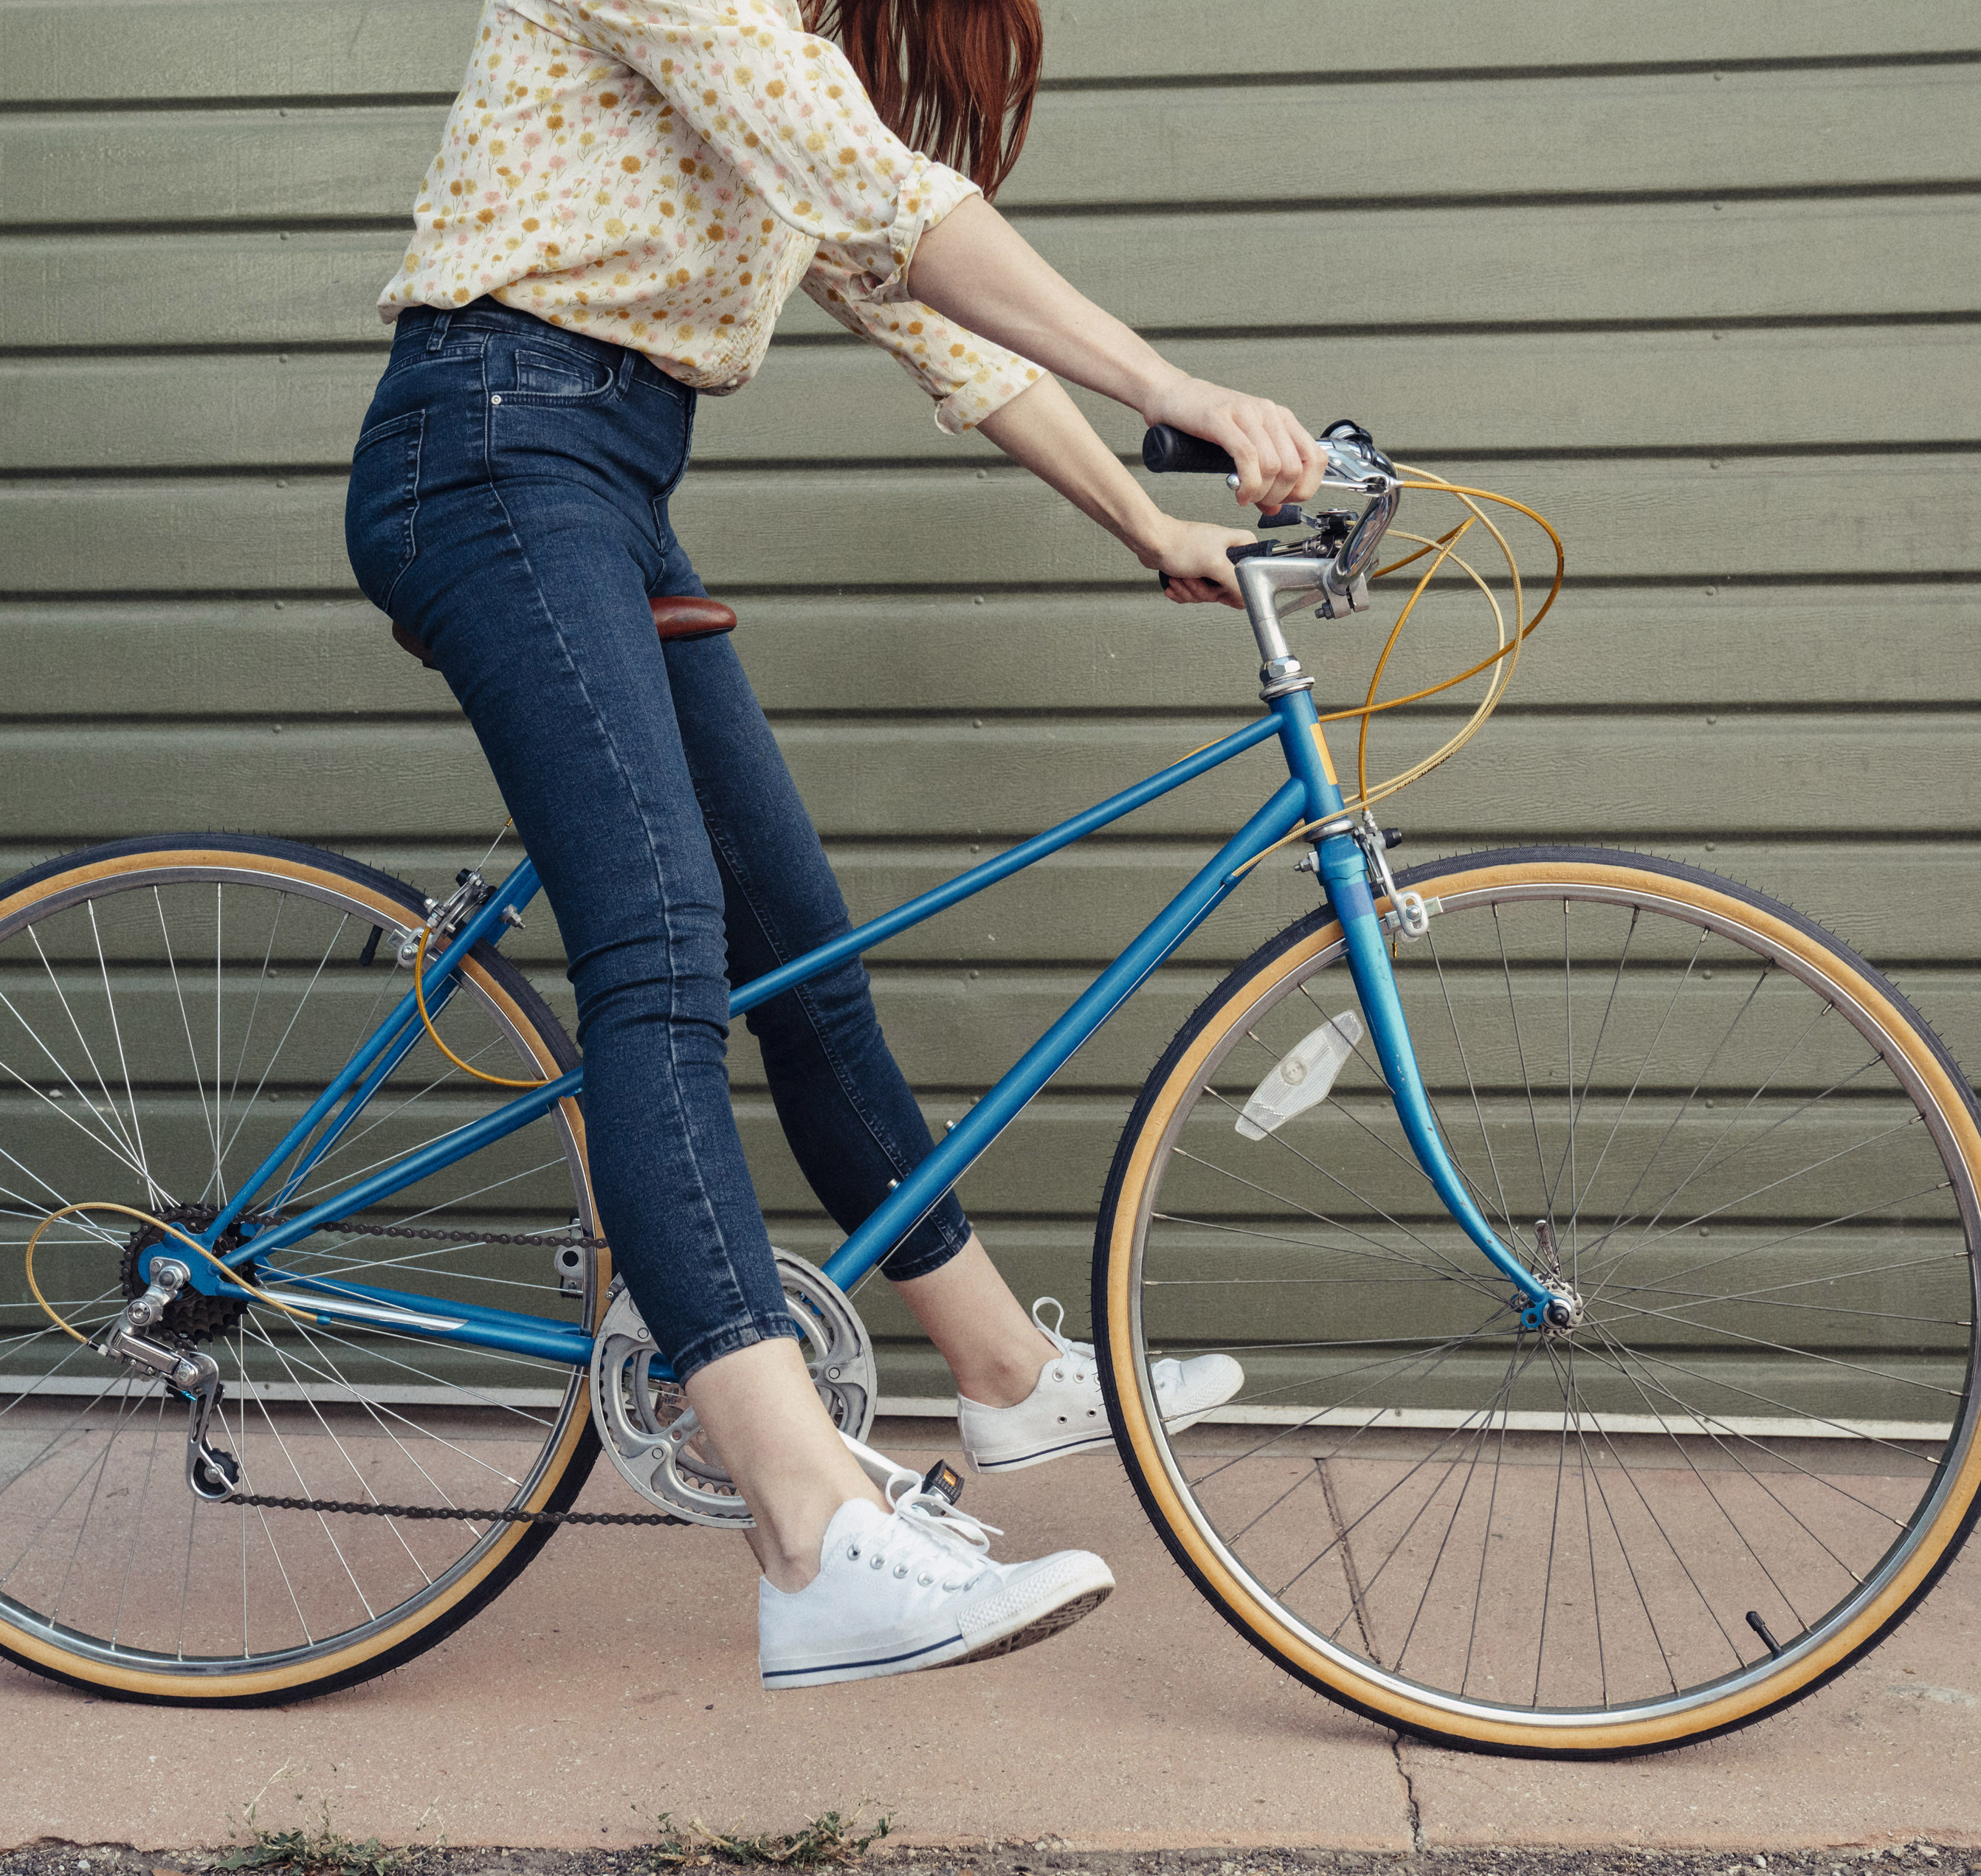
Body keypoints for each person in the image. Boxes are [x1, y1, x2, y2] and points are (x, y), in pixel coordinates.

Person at [344, 0, 1325, 1691]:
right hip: (491, 448)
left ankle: (1003, 1375)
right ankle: (804, 1537)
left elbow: (938, 324)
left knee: (795, 950)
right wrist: (1176, 387)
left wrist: (1144, 518)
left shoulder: (769, 53)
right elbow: (888, 197)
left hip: (601, 472)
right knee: (661, 957)